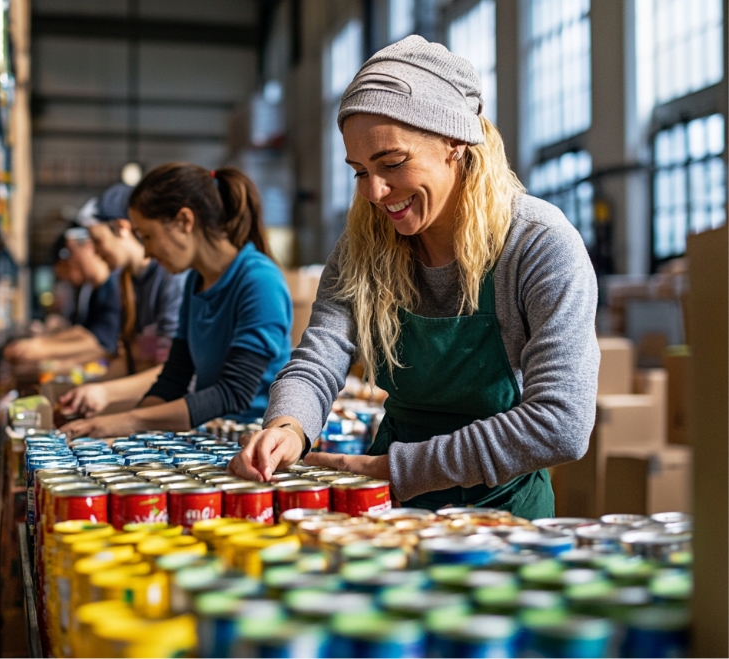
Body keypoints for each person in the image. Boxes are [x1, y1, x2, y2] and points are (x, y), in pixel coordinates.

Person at [229, 36, 600, 519]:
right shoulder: (365, 242)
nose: (376, 193)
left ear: (456, 145)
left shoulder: (537, 243)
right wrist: (288, 425)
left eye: (393, 164)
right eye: (360, 171)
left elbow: (560, 424)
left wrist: (399, 470)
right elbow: (320, 354)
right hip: (389, 503)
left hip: (502, 516)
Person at [61, 163, 292, 439]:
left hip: (257, 442)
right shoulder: (195, 281)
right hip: (212, 438)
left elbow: (233, 394)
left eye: (148, 236)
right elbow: (173, 380)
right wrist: (129, 431)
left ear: (184, 221)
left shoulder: (259, 281)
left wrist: (129, 421)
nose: (147, 252)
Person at [59, 183, 187, 417]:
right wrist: (86, 389)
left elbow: (172, 372)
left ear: (122, 228)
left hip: (172, 410)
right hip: (149, 403)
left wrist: (104, 393)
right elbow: (131, 359)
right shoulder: (126, 282)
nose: (96, 252)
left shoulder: (172, 279)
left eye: (97, 241)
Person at [4, 227, 119, 365]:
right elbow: (86, 332)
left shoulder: (115, 285)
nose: (69, 272)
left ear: (88, 246)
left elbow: (101, 342)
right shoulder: (92, 291)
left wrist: (42, 348)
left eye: (69, 254)